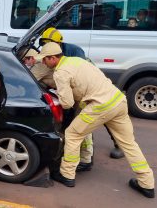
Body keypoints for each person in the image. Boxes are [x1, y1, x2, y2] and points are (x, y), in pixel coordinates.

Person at [36, 42, 155, 198]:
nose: (43, 63)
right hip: (118, 100)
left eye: (44, 60)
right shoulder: (77, 61)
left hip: (100, 106)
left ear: (52, 58)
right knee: (129, 143)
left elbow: (67, 104)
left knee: (72, 134)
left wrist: (57, 94)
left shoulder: (60, 72)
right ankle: (147, 183)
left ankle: (67, 175)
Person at [38, 27, 125, 166]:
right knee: (81, 122)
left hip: (92, 89)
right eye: (44, 44)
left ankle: (115, 146)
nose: (46, 46)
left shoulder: (74, 51)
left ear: (59, 43)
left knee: (104, 118)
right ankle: (84, 156)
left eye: (49, 43)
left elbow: (78, 75)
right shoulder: (49, 54)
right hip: (80, 91)